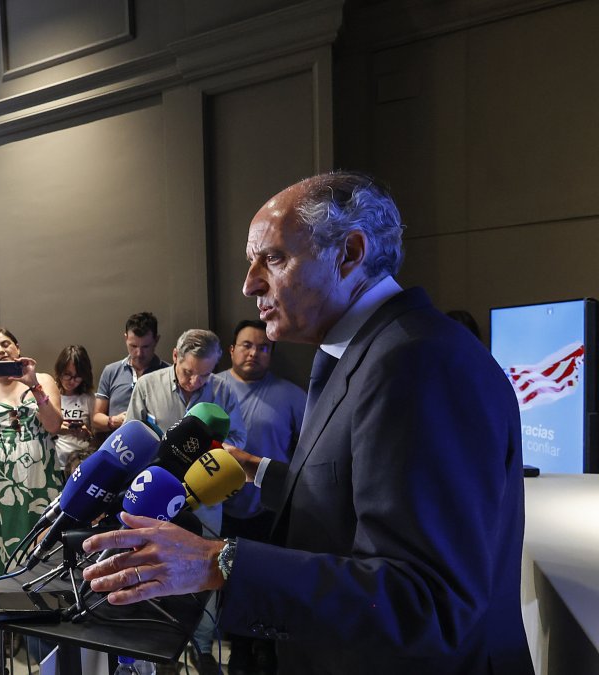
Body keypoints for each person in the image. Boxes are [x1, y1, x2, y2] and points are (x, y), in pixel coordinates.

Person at [82, 172, 533, 674]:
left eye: (272, 258)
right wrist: (260, 472)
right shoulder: (360, 351)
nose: (249, 282)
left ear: (350, 253)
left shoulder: (419, 364)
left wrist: (219, 561)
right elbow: (360, 496)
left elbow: (427, 599)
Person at [124, 328, 246, 674]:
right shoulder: (147, 386)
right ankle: (158, 649)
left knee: (207, 571)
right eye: (188, 372)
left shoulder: (224, 390)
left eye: (204, 374)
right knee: (151, 567)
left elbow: (238, 440)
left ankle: (202, 647)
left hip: (205, 499)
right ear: (175, 356)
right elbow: (135, 436)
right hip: (155, 496)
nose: (195, 381)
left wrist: (203, 454)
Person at [209, 319, 304, 675]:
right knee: (227, 582)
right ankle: (238, 648)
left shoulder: (292, 395)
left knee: (265, 580)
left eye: (263, 347)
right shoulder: (211, 387)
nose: (254, 353)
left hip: (269, 511)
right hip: (219, 509)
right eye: (246, 345)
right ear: (231, 350)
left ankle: (264, 647)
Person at [0, 327, 63, 586]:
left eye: (6, 344)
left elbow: (54, 425)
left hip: (38, 475)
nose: (1, 350)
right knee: (2, 536)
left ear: (17, 348)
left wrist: (34, 386)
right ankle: (2, 596)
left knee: (41, 531)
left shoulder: (42, 378)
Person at [93, 312, 169, 434]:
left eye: (145, 347)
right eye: (133, 346)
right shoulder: (111, 371)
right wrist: (113, 421)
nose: (139, 353)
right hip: (117, 446)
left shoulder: (168, 374)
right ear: (125, 338)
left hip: (155, 446)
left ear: (156, 340)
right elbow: (96, 418)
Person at [52, 345, 97, 476]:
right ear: (59, 371)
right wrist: (58, 428)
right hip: (55, 463)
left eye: (77, 376)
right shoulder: (50, 394)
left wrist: (87, 434)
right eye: (67, 375)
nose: (72, 381)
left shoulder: (88, 398)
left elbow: (96, 438)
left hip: (80, 465)